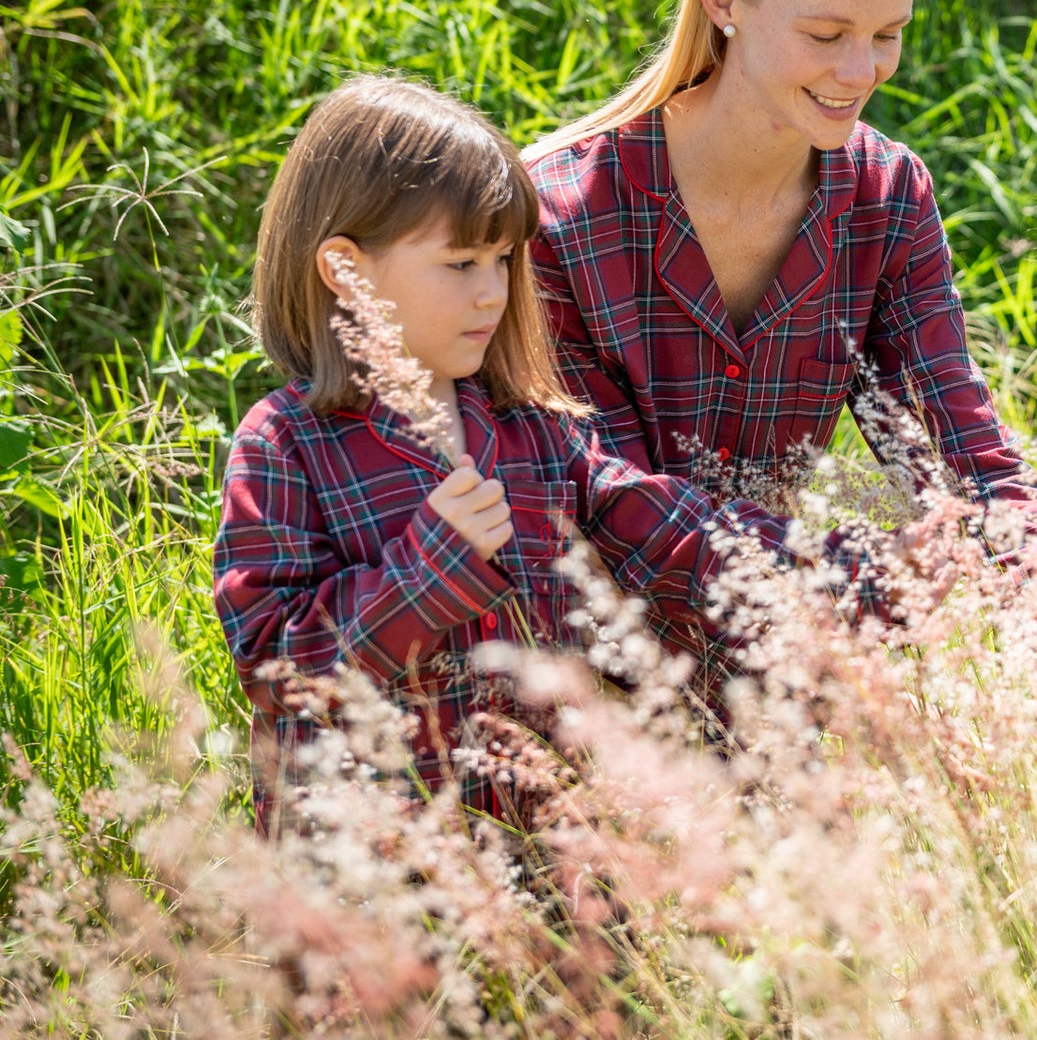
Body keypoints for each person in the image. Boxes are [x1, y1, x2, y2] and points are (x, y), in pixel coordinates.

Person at [214, 77, 859, 829]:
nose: (492, 293)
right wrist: (431, 570)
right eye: (460, 265)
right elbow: (273, 668)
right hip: (373, 878)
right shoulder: (286, 444)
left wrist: (845, 575)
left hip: (547, 864)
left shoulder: (531, 431)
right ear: (346, 272)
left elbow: (670, 534)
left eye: (503, 262)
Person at [523, 0, 1037, 603]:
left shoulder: (887, 200)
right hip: (570, 671)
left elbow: (962, 450)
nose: (860, 70)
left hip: (785, 666)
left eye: (887, 34)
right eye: (826, 33)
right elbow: (608, 501)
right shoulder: (562, 212)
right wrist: (850, 570)